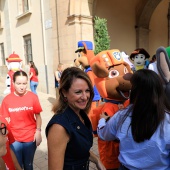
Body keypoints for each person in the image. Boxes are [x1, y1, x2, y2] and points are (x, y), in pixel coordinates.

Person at [97, 69, 170, 170]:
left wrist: (103, 121)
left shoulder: (121, 116)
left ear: (134, 91)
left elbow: (104, 134)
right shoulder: (168, 119)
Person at [46, 67, 106, 170]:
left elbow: (78, 149)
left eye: (87, 91)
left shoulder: (80, 113)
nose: (85, 97)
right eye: (78, 92)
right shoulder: (59, 127)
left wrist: (96, 160)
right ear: (64, 92)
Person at [0, 70, 43, 170]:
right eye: (18, 83)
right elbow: (4, 120)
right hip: (14, 139)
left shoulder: (33, 97)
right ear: (13, 83)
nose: (22, 86)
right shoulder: (7, 100)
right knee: (17, 165)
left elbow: (38, 116)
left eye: (24, 83)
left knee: (28, 164)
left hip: (30, 138)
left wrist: (38, 132)